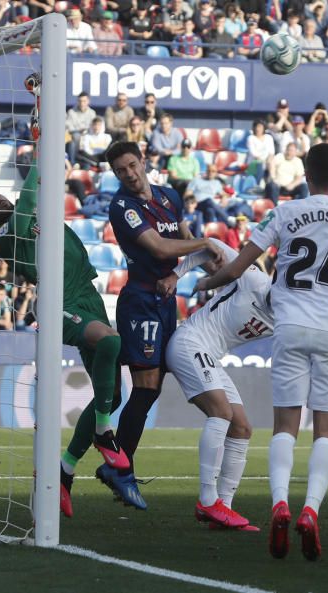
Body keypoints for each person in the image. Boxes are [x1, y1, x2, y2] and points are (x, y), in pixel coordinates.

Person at [194, 143, 328, 561]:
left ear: (305, 172)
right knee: (326, 431)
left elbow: (236, 268)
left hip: (289, 328)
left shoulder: (283, 213)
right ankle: (310, 511)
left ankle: (280, 503)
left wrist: (203, 285)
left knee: (285, 426)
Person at [160, 239, 328, 530]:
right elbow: (211, 245)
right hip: (189, 343)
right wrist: (179, 275)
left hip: (210, 356)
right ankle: (207, 499)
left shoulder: (286, 321)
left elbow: (315, 349)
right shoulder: (252, 277)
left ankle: (222, 508)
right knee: (222, 414)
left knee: (241, 428)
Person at [0, 159, 129, 519]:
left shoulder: (33, 215)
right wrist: (44, 152)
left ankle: (64, 472)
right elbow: (27, 201)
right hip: (60, 302)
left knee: (113, 393)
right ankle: (104, 432)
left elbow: (34, 201)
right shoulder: (7, 236)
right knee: (109, 342)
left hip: (87, 295)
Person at [103, 141, 225, 510]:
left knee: (151, 389)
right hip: (140, 302)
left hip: (166, 302)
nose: (129, 173)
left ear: (143, 162)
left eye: (132, 165)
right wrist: (208, 242)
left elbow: (185, 241)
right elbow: (158, 247)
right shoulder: (122, 206)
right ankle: (119, 470)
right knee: (145, 387)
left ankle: (119, 469)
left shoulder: (170, 195)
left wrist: (223, 272)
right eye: (121, 170)